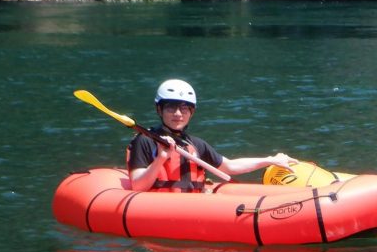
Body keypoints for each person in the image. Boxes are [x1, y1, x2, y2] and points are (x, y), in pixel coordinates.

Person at [127, 79, 297, 192]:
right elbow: (138, 186)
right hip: (158, 209)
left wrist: (270, 160)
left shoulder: (196, 144)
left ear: (191, 112)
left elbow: (230, 167)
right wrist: (161, 159)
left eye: (184, 108)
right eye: (171, 107)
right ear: (159, 110)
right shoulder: (146, 140)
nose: (178, 114)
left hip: (193, 208)